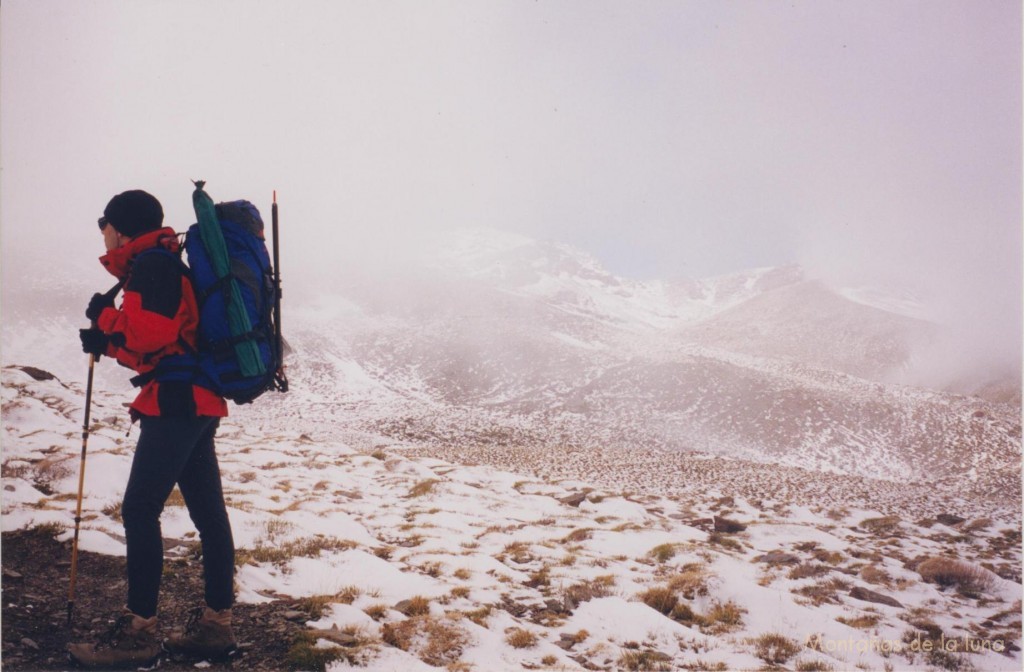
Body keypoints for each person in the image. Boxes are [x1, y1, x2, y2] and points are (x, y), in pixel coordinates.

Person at [68, 190, 238, 668]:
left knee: (139, 510)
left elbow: (150, 334)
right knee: (208, 513)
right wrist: (108, 339)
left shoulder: (152, 267)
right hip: (195, 400)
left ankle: (140, 633)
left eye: (105, 223)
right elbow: (159, 341)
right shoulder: (161, 263)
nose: (102, 231)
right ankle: (216, 626)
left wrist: (104, 317)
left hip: (177, 404)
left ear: (120, 228)